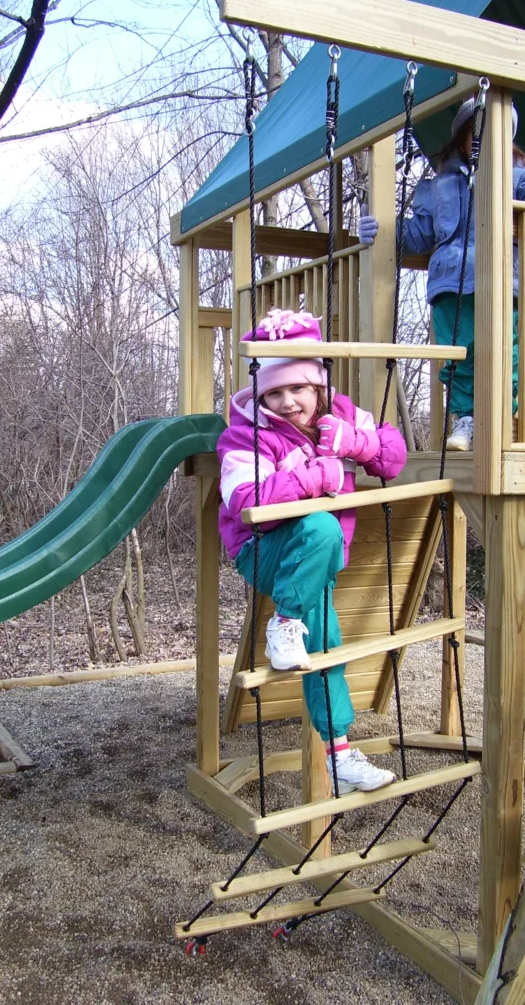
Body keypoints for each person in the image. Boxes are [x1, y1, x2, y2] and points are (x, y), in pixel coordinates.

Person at [217, 308, 407, 793]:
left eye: (297, 389)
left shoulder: (343, 415)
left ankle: (338, 751)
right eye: (274, 392)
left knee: (326, 648)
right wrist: (311, 477)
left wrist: (356, 443)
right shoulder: (245, 434)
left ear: (318, 385)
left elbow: (394, 457)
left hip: (316, 560)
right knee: (321, 525)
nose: (287, 402)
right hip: (263, 550)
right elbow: (244, 501)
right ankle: (283, 623)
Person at [358, 96, 525, 451]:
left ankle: (503, 417)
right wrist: (379, 231)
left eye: (494, 135)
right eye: (477, 133)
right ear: (463, 138)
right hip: (449, 282)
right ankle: (466, 419)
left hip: (500, 279)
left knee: (507, 351)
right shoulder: (439, 186)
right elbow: (418, 234)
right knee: (459, 352)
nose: (484, 142)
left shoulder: (515, 179)